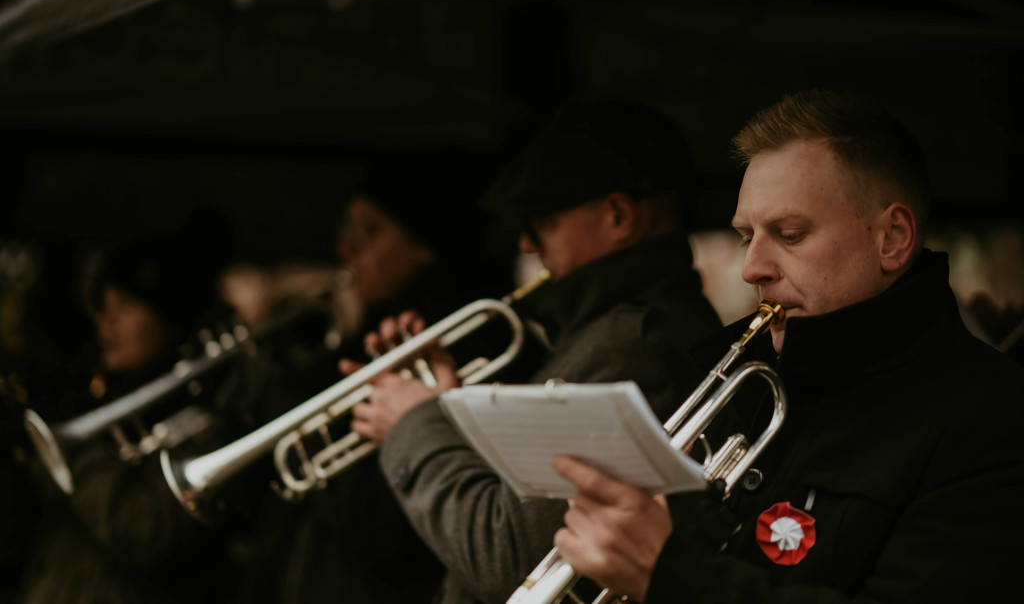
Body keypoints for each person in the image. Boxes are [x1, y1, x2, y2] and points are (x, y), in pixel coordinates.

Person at [546, 88, 1024, 603]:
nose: (753, 268)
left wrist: (670, 575)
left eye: (790, 234)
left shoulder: (992, 416)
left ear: (892, 238)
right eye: (745, 235)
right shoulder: (736, 383)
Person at [346, 99, 724, 604]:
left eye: (541, 223)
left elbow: (507, 557)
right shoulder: (611, 330)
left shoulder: (634, 345)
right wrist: (446, 410)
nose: (525, 244)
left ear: (618, 216)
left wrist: (413, 425)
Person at [227, 151, 513, 604]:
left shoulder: (462, 345)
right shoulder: (362, 335)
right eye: (347, 230)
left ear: (424, 244)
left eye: (369, 231)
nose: (346, 249)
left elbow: (379, 536)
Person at [15, 212, 241, 604]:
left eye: (128, 304)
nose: (108, 319)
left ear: (168, 318)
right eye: (104, 304)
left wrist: (72, 450)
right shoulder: (94, 394)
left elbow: (143, 532)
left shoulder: (205, 422)